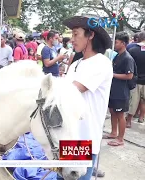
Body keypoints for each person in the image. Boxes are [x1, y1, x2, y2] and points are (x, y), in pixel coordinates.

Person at [62, 16, 113, 180]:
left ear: (90, 35)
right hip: (70, 134)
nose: (72, 39)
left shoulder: (101, 63)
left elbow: (71, 90)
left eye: (76, 34)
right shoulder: (76, 64)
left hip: (85, 138)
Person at [104, 32, 134, 147]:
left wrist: (113, 75)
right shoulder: (117, 56)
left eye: (116, 42)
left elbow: (129, 75)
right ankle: (113, 132)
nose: (114, 44)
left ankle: (120, 139)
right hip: (113, 90)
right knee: (112, 112)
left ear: (123, 43)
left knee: (120, 114)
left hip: (121, 92)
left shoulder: (127, 58)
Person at [126, 31, 145, 125]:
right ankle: (141, 117)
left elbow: (128, 65)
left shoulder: (132, 49)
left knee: (133, 101)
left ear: (139, 38)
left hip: (135, 79)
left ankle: (129, 121)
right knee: (143, 100)